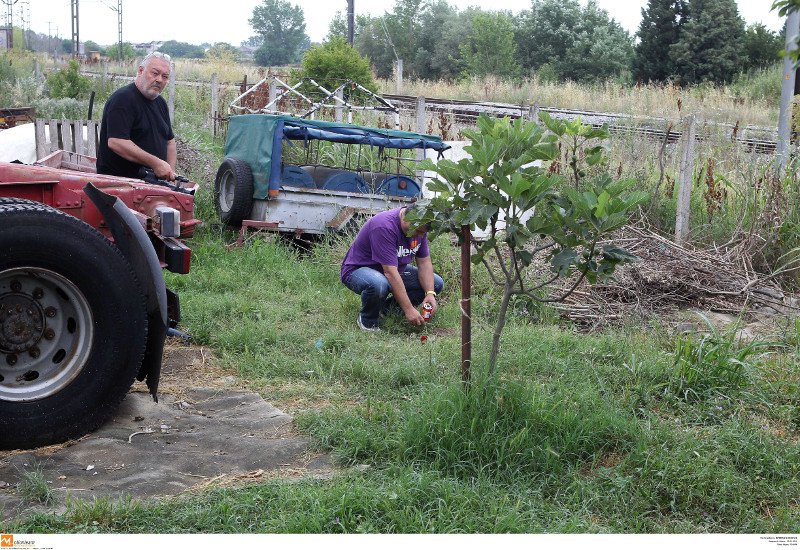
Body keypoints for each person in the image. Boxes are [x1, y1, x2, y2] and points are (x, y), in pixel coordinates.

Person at [341, 203, 444, 332]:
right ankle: (368, 322)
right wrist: (409, 309)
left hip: (392, 270)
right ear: (408, 218)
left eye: (424, 233)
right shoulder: (384, 226)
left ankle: (384, 310)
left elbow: (424, 263)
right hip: (358, 270)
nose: (421, 236)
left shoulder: (418, 227)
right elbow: (389, 273)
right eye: (419, 231)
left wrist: (430, 294)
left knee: (436, 283)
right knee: (378, 284)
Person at [97, 51, 176, 181]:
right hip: (120, 185)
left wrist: (170, 173)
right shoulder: (123, 99)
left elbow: (170, 142)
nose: (159, 80)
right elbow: (116, 142)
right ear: (140, 71)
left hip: (151, 183)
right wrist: (156, 163)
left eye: (165, 76)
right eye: (155, 73)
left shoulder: (160, 103)